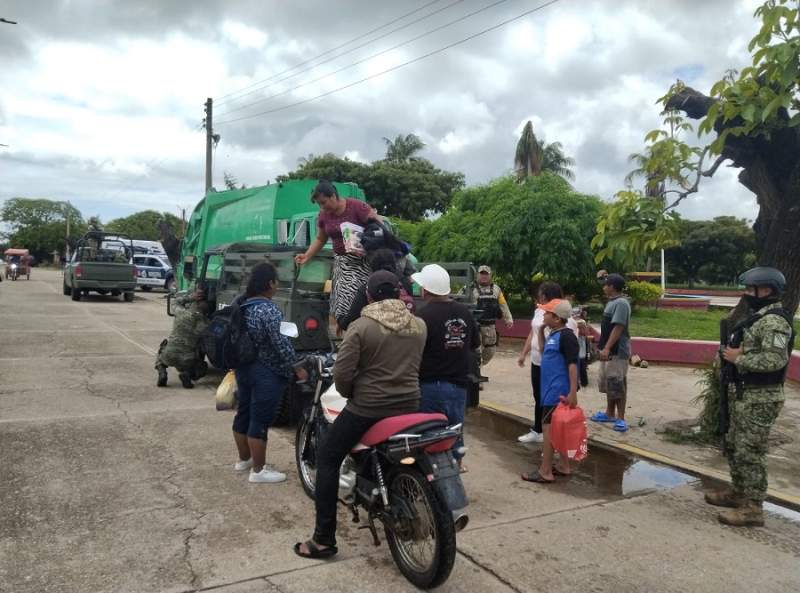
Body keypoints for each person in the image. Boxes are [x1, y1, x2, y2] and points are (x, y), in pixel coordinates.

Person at [294, 270, 427, 559]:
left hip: (368, 408)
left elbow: (342, 377)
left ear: (367, 295)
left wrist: (354, 391)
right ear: (398, 293)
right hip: (410, 404)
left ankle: (323, 539)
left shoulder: (361, 327)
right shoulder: (419, 325)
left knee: (328, 457)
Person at [706, 266, 794, 527]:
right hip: (746, 394)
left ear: (765, 290)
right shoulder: (758, 318)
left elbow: (776, 359)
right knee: (735, 445)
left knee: (750, 450)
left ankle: (753, 508)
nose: (746, 293)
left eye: (750, 289)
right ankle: (739, 493)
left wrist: (739, 358)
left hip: (761, 397)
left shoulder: (775, 322)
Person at [232, 262, 305, 484]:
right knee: (260, 419)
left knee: (243, 413)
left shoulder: (243, 305)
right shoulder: (268, 309)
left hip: (244, 368)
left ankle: (244, 460)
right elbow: (280, 343)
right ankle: (259, 470)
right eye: (276, 281)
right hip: (267, 372)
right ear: (270, 283)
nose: (277, 285)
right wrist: (297, 367)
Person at [413, 264, 480, 472]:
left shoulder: (423, 316)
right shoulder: (465, 313)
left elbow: (415, 350)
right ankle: (456, 465)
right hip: (458, 386)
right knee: (455, 429)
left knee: (429, 434)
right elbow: (474, 345)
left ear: (426, 290)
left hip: (429, 385)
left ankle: (429, 474)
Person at [294, 179, 379, 325]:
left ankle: (361, 330)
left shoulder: (357, 206)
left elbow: (378, 228)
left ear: (333, 196)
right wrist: (307, 255)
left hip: (364, 261)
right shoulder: (323, 215)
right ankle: (345, 332)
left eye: (323, 202)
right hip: (342, 263)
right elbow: (320, 239)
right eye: (319, 204)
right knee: (341, 302)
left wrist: (364, 244)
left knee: (360, 298)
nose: (322, 207)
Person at [521, 299, 579, 483]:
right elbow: (547, 352)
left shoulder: (567, 336)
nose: (543, 315)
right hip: (549, 389)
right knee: (558, 429)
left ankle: (545, 470)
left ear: (556, 318)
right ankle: (563, 465)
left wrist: (572, 392)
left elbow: (572, 365)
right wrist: (539, 332)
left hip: (557, 391)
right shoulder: (555, 333)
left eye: (546, 313)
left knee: (548, 429)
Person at [516, 282, 577, 443]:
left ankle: (555, 438)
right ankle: (539, 430)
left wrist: (573, 389)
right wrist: (524, 353)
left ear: (545, 295)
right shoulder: (539, 311)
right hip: (537, 362)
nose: (538, 296)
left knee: (553, 401)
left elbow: (570, 357)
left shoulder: (562, 317)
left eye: (540, 293)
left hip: (553, 367)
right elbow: (534, 332)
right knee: (540, 398)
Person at [590, 273, 632, 432]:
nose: (603, 287)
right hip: (609, 350)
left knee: (617, 383)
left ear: (612, 287)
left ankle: (620, 418)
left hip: (617, 351)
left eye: (606, 284)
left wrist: (607, 348)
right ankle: (609, 413)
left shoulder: (621, 303)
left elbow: (618, 327)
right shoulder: (612, 302)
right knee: (610, 383)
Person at [338, 248, 415, 331]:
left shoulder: (368, 287)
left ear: (372, 265)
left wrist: (339, 318)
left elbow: (349, 322)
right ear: (394, 263)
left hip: (376, 335)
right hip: (404, 333)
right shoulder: (405, 284)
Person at [155, 285, 210, 388]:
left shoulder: (181, 312)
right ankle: (187, 375)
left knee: (161, 352)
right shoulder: (206, 324)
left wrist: (191, 297)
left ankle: (162, 372)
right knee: (202, 366)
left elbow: (175, 302)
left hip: (169, 355)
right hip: (187, 360)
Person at [472, 265, 513, 366]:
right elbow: (459, 302)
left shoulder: (496, 289)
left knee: (491, 350)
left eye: (486, 274)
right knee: (474, 351)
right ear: (477, 274)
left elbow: (503, 305)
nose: (484, 276)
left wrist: (508, 319)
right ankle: (475, 371)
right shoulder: (469, 288)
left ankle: (480, 366)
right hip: (474, 326)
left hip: (489, 326)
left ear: (490, 275)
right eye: (481, 273)